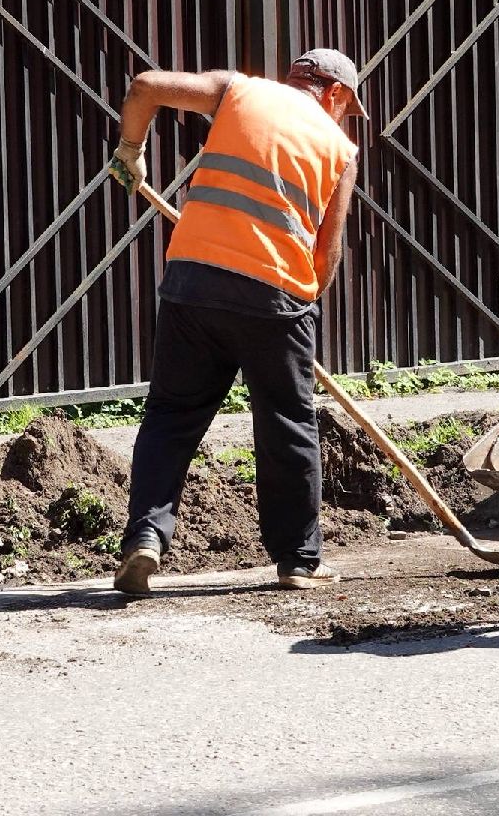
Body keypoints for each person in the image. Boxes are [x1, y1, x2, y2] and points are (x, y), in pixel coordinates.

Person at [106, 49, 365, 596]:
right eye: (348, 107)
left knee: (171, 417)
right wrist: (300, 313)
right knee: (287, 425)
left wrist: (131, 150)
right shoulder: (341, 150)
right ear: (336, 95)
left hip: (193, 280)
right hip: (275, 296)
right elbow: (327, 255)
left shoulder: (238, 91)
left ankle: (146, 538)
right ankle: (297, 561)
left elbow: (145, 86)